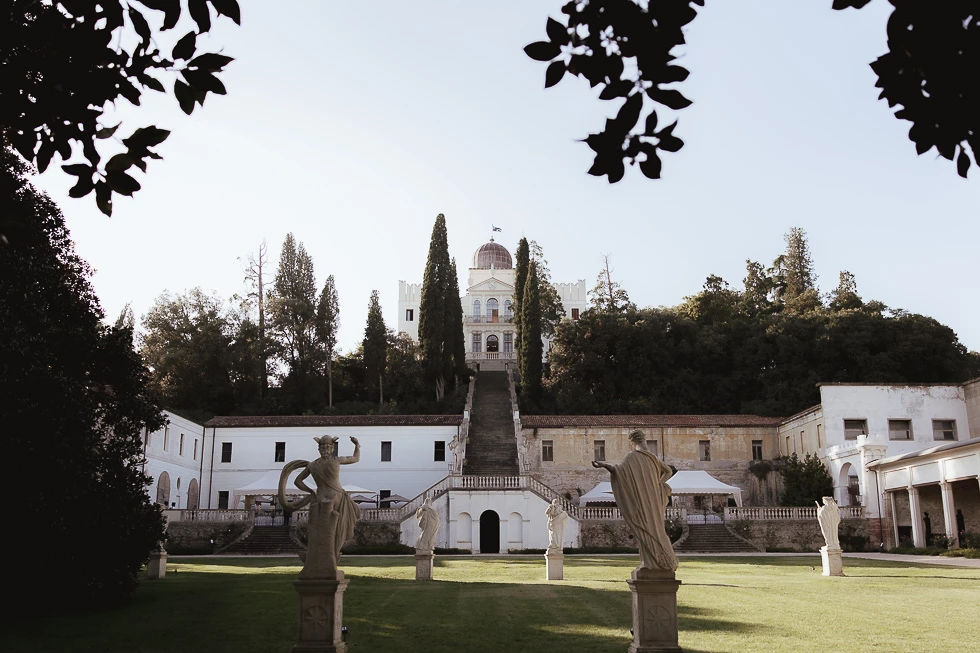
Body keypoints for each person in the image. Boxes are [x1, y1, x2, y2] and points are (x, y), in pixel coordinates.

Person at [592, 430, 678, 571]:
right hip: (653, 498)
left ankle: (653, 562)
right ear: (644, 440)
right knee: (655, 527)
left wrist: (604, 466)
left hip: (644, 499)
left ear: (633, 442)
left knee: (644, 526)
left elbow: (618, 471)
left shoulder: (633, 457)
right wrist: (657, 484)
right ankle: (655, 561)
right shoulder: (652, 457)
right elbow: (668, 471)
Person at [278, 435, 360, 579]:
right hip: (337, 497)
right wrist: (357, 445)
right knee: (335, 531)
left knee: (320, 530)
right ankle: (330, 559)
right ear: (329, 448)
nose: (325, 450)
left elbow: (298, 481)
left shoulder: (312, 465)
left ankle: (319, 559)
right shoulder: (336, 460)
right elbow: (355, 458)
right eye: (324, 447)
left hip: (321, 498)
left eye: (326, 447)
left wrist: (311, 491)